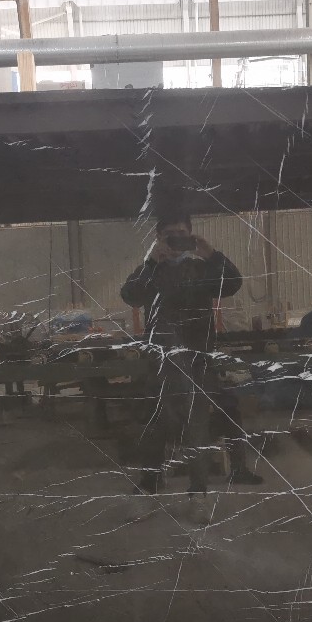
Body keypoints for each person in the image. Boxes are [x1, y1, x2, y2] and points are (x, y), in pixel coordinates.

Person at [120, 210, 263, 492]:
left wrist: (212, 255)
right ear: (158, 238)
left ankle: (227, 476)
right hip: (163, 362)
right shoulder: (152, 270)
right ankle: (151, 480)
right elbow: (130, 295)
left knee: (218, 413)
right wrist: (151, 261)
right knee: (154, 418)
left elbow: (232, 284)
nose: (176, 240)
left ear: (191, 235)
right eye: (169, 235)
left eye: (182, 234)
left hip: (199, 360)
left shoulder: (201, 269)